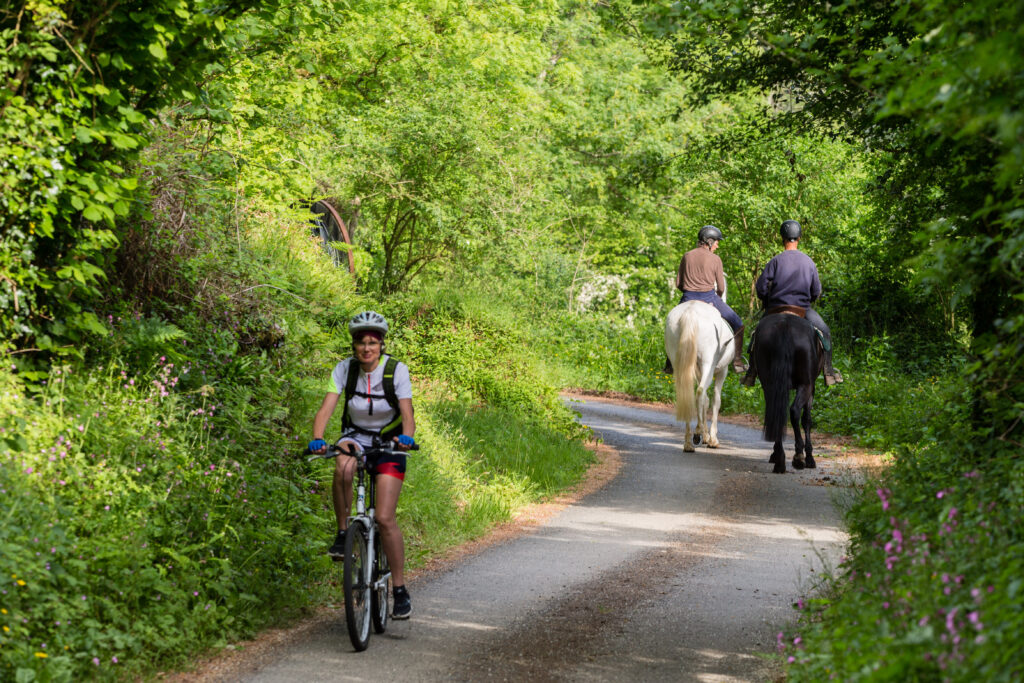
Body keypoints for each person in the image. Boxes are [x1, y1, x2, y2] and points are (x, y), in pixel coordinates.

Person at [308, 310, 417, 619]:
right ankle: (344, 533)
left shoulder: (396, 370)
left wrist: (405, 438)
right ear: (354, 346)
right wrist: (318, 438)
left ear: (381, 344)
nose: (366, 348)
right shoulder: (344, 369)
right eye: (361, 343)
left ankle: (399, 590)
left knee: (384, 517)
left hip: (390, 442)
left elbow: (407, 415)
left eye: (372, 342)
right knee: (342, 464)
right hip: (355, 436)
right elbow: (326, 407)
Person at [742, 220, 843, 386]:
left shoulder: (775, 261)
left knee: (757, 335)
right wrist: (806, 300)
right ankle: (829, 371)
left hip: (776, 310)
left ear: (782, 238)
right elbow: (816, 291)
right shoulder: (808, 262)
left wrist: (768, 299)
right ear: (799, 238)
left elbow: (760, 288)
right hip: (802, 310)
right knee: (825, 332)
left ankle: (751, 372)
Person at [672, 225, 748, 374]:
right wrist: (717, 299)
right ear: (709, 241)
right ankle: (738, 361)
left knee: (673, 325)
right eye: (717, 242)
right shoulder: (715, 259)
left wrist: (689, 291)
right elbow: (720, 287)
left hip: (687, 297)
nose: (718, 245)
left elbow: (678, 284)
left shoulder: (687, 256)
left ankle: (669, 363)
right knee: (739, 325)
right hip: (709, 297)